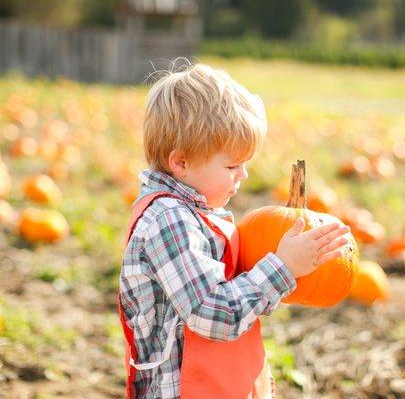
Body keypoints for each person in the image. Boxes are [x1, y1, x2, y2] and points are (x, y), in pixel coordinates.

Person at [118, 62, 350, 399]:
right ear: (181, 162)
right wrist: (282, 268)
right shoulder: (169, 220)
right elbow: (212, 312)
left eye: (245, 164)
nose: (243, 176)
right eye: (232, 166)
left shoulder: (199, 214)